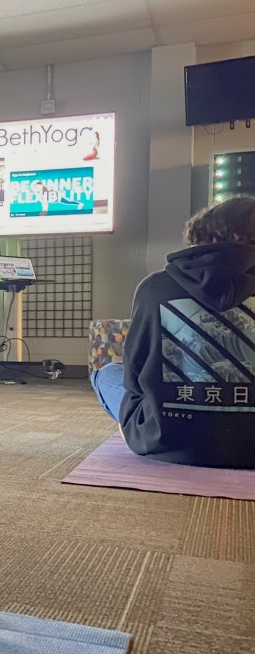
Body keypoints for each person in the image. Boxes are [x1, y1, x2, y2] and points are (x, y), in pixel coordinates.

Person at [91, 195, 255, 468]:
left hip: (170, 440)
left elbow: (135, 373)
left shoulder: (155, 287)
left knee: (106, 374)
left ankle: (137, 429)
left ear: (205, 238)